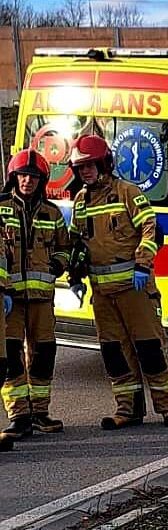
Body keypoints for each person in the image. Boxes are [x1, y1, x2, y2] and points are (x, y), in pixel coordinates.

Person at [68, 134, 168, 429]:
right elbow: (77, 242)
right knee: (115, 353)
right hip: (102, 294)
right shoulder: (81, 201)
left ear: (104, 163)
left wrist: (143, 265)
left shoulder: (126, 191)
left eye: (90, 165)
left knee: (150, 348)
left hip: (135, 289)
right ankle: (127, 410)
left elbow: (151, 228)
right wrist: (76, 274)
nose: (86, 172)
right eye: (81, 168)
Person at [0, 149, 68, 443]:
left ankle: (40, 412)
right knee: (11, 356)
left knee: (43, 354)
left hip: (42, 298)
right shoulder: (0, 207)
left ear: (42, 181)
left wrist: (57, 264)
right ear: (14, 177)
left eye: (34, 177)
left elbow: (66, 248)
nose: (28, 181)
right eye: (23, 175)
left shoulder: (52, 213)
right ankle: (19, 416)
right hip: (10, 299)